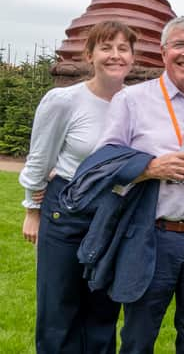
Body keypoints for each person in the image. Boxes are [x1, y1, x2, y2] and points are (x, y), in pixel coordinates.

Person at [97, 15, 184, 353]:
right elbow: (104, 162)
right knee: (138, 335)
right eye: (179, 44)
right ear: (164, 53)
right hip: (151, 235)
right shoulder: (132, 100)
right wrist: (149, 167)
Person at [19, 20, 137, 353]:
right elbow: (41, 157)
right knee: (59, 309)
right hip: (65, 212)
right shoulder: (64, 101)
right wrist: (32, 209)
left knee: (102, 313)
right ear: (90, 54)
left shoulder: (137, 104)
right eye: (106, 47)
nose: (115, 55)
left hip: (113, 213)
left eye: (122, 48)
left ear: (132, 56)